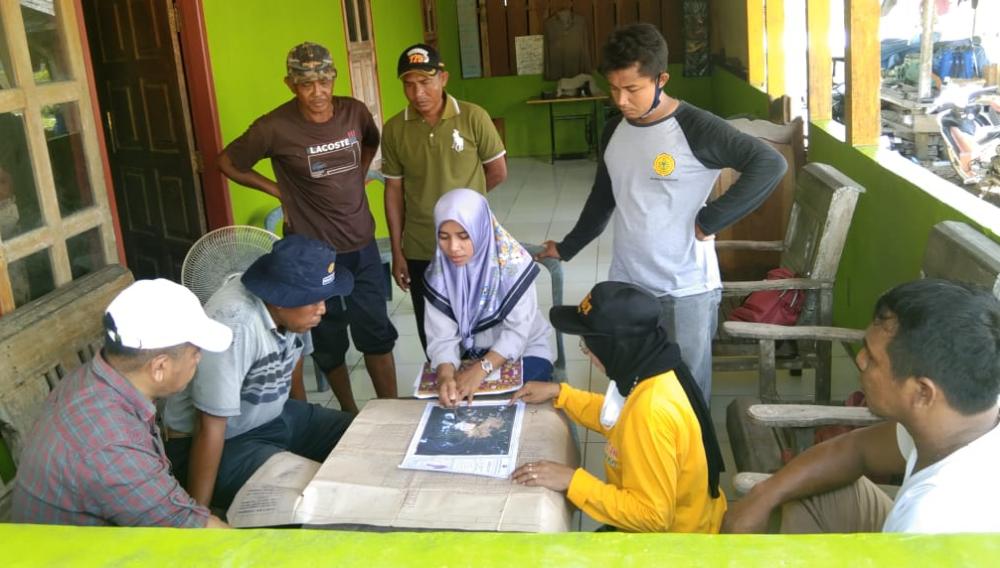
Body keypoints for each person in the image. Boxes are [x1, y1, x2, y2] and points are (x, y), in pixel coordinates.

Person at [536, 23, 786, 403]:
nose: (620, 100)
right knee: (634, 387)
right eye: (613, 87)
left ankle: (698, 464)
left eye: (632, 88)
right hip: (629, 284)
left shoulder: (696, 128)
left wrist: (710, 220)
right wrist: (567, 248)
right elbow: (604, 197)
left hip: (684, 288)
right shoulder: (613, 131)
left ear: (661, 79)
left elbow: (769, 164)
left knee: (685, 396)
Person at [723, 279, 1000, 534]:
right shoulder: (961, 420)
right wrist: (765, 494)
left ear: (923, 392)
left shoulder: (931, 518)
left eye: (873, 359)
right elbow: (856, 450)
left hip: (919, 546)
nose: (859, 360)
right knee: (815, 490)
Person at [217, 41, 397, 414]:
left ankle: (391, 411)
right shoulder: (275, 126)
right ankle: (347, 411)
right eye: (305, 84)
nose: (317, 93)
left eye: (324, 81)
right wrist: (276, 189)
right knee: (328, 336)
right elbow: (227, 162)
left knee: (376, 330)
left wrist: (358, 176)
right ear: (290, 84)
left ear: (334, 78)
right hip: (310, 254)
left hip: (361, 241)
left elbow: (370, 142)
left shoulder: (354, 112)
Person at [510, 281, 727, 533]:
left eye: (587, 347)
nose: (588, 354)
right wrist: (561, 393)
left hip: (673, 544)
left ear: (614, 349)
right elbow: (617, 416)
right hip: (689, 516)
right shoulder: (655, 369)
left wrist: (572, 480)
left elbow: (653, 517)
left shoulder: (650, 412)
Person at [12, 279, 232, 527]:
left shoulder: (92, 377)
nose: (199, 359)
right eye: (195, 352)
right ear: (160, 367)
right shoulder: (114, 443)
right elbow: (187, 529)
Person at [163, 235, 355, 509]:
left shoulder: (298, 314)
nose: (322, 308)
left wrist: (303, 428)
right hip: (221, 443)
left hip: (273, 417)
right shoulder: (234, 325)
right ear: (280, 299)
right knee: (308, 498)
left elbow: (295, 357)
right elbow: (209, 426)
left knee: (360, 436)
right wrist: (199, 516)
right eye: (313, 300)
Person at [382, 43, 508, 354]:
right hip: (421, 245)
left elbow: (497, 171)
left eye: (425, 82)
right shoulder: (395, 128)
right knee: (434, 334)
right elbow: (394, 192)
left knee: (479, 329)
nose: (418, 92)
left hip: (471, 244)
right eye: (409, 85)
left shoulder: (473, 117)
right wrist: (398, 251)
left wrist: (464, 210)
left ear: (443, 78)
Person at [423, 188, 554, 406]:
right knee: (453, 397)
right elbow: (441, 337)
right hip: (470, 356)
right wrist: (446, 375)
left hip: (524, 352)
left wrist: (482, 369)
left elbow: (517, 333)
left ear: (481, 229)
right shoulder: (439, 275)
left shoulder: (514, 267)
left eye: (464, 236)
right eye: (444, 237)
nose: (454, 248)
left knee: (506, 400)